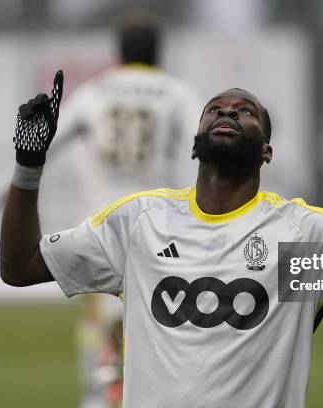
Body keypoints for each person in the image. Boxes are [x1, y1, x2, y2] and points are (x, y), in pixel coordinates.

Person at [1, 74, 323, 406]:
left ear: (266, 152)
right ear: (195, 143)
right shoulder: (138, 223)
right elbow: (19, 266)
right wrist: (28, 164)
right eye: (216, 110)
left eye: (245, 112)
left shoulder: (303, 239)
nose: (228, 112)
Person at [44, 18, 201, 408]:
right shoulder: (177, 92)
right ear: (158, 51)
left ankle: (98, 396)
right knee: (160, 317)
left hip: (101, 223)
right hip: (159, 222)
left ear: (119, 52)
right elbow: (205, 142)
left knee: (99, 322)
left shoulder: (94, 92)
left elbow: (48, 137)